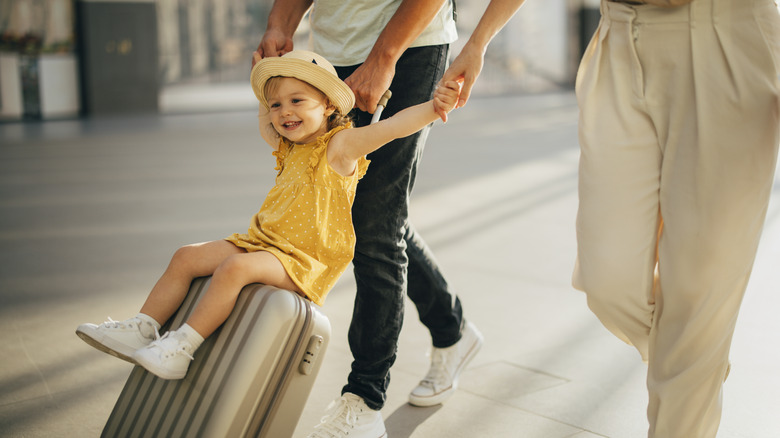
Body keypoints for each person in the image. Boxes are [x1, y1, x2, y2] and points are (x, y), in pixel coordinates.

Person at [440, 0, 780, 436]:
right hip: (619, 33)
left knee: (698, 296)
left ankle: (693, 370)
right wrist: (480, 40)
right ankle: (696, 361)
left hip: (727, 34)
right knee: (609, 283)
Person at [75, 50, 463, 383]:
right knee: (186, 256)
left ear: (328, 105)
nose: (283, 112)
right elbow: (266, 115)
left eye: (298, 101)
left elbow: (394, 128)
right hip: (261, 242)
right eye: (277, 105)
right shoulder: (286, 146)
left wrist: (434, 106)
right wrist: (263, 76)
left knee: (232, 270)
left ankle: (181, 348)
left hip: (303, 259)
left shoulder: (341, 147)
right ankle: (143, 328)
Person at [256, 2, 484, 437]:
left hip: (409, 46)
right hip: (330, 56)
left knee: (376, 225)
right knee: (366, 214)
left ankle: (364, 397)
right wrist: (279, 25)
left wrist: (384, 58)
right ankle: (451, 329)